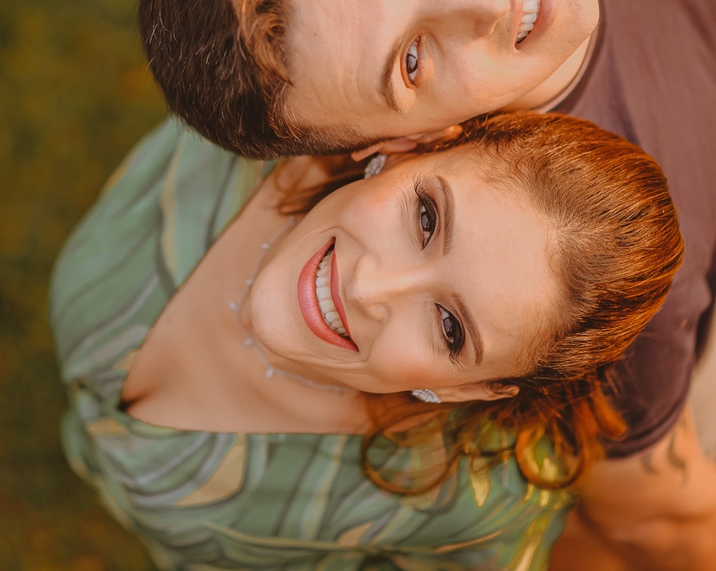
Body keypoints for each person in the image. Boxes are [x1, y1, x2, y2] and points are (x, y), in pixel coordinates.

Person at [133, 0, 716, 567]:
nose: (482, 0)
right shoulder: (580, 267)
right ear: (399, 146)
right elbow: (657, 519)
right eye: (409, 63)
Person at [52, 111, 683, 570]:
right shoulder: (256, 119)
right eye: (426, 218)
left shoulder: (464, 505)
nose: (370, 289)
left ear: (469, 387)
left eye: (450, 328)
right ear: (411, 148)